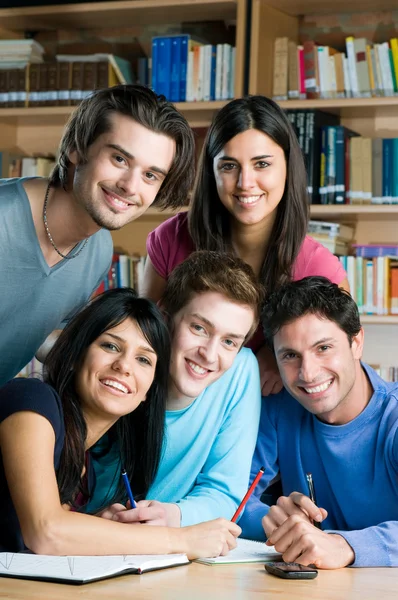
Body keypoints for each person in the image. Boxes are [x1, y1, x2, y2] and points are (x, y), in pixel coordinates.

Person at [0, 287, 240, 557]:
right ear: (76, 355)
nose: (124, 366)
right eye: (111, 346)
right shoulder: (31, 401)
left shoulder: (88, 465)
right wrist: (181, 540)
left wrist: (99, 529)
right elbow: (45, 532)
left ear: (148, 390)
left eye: (143, 359)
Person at [142, 95, 349, 396]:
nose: (245, 183)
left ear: (288, 166)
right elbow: (145, 342)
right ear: (211, 171)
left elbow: (340, 361)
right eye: (229, 166)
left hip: (273, 414)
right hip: (178, 404)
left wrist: (277, 354)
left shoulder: (318, 267)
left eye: (262, 164)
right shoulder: (170, 239)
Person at [0, 83, 195, 385]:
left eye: (150, 175)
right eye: (119, 159)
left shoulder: (98, 249)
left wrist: (101, 357)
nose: (131, 186)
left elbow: (38, 334)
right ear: (76, 148)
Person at [86, 251, 263, 526]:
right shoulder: (119, 373)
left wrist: (173, 516)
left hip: (167, 544)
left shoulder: (240, 370)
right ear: (165, 318)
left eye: (230, 342)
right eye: (199, 328)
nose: (209, 354)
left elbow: (224, 490)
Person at [239, 276, 398, 568]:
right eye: (290, 355)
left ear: (356, 343)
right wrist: (274, 521)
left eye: (323, 348)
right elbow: (234, 499)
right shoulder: (277, 411)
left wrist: (345, 545)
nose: (308, 373)